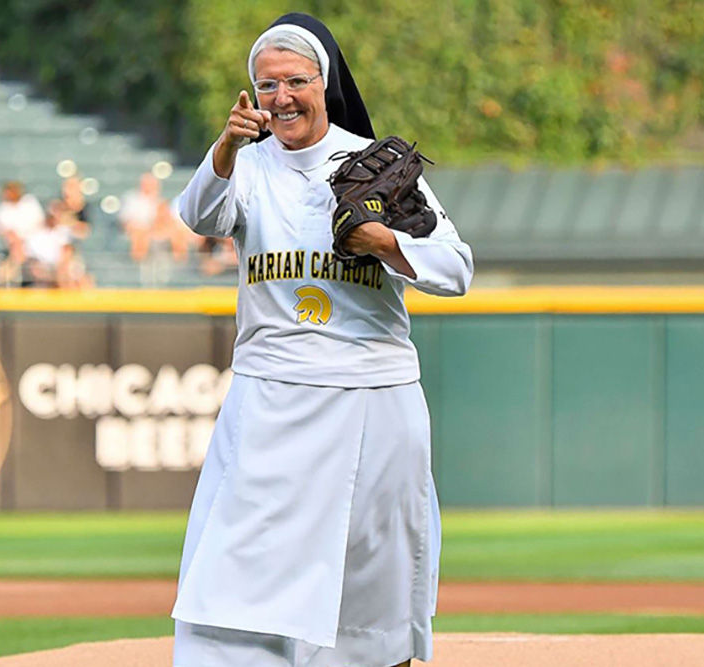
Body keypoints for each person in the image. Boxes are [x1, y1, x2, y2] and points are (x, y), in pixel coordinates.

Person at [171, 13, 473, 667]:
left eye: (295, 81)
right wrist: (224, 145)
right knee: (235, 567)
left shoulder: (377, 170)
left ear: (325, 82)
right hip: (272, 397)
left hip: (374, 400)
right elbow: (197, 213)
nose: (282, 97)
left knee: (373, 577)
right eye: (266, 84)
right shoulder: (246, 168)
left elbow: (457, 269)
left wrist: (385, 241)